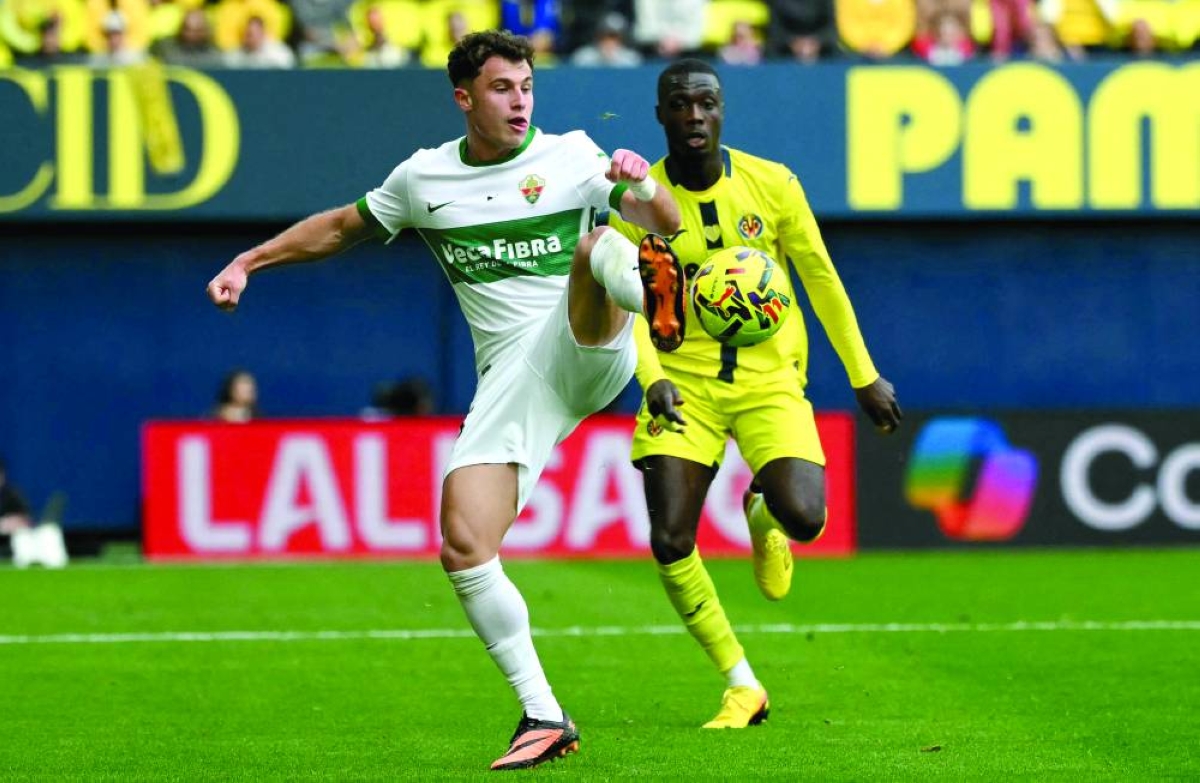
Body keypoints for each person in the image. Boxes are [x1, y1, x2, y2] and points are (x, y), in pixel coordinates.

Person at [205, 30, 682, 770]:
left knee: (598, 247)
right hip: (517, 381)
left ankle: (658, 295)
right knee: (463, 542)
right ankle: (544, 713)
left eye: (527, 87)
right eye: (502, 88)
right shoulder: (424, 179)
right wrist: (249, 260)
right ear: (464, 98)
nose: (520, 101)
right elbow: (341, 227)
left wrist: (642, 186)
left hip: (588, 339)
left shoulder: (571, 156)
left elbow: (668, 222)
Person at [606, 59, 901, 729]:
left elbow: (821, 278)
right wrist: (652, 378)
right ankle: (741, 684)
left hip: (770, 381)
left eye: (706, 102)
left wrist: (863, 375)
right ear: (661, 115)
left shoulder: (773, 184)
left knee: (807, 517)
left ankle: (763, 514)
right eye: (680, 104)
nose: (694, 116)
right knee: (669, 537)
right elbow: (629, 303)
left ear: (722, 109)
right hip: (684, 384)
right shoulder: (637, 204)